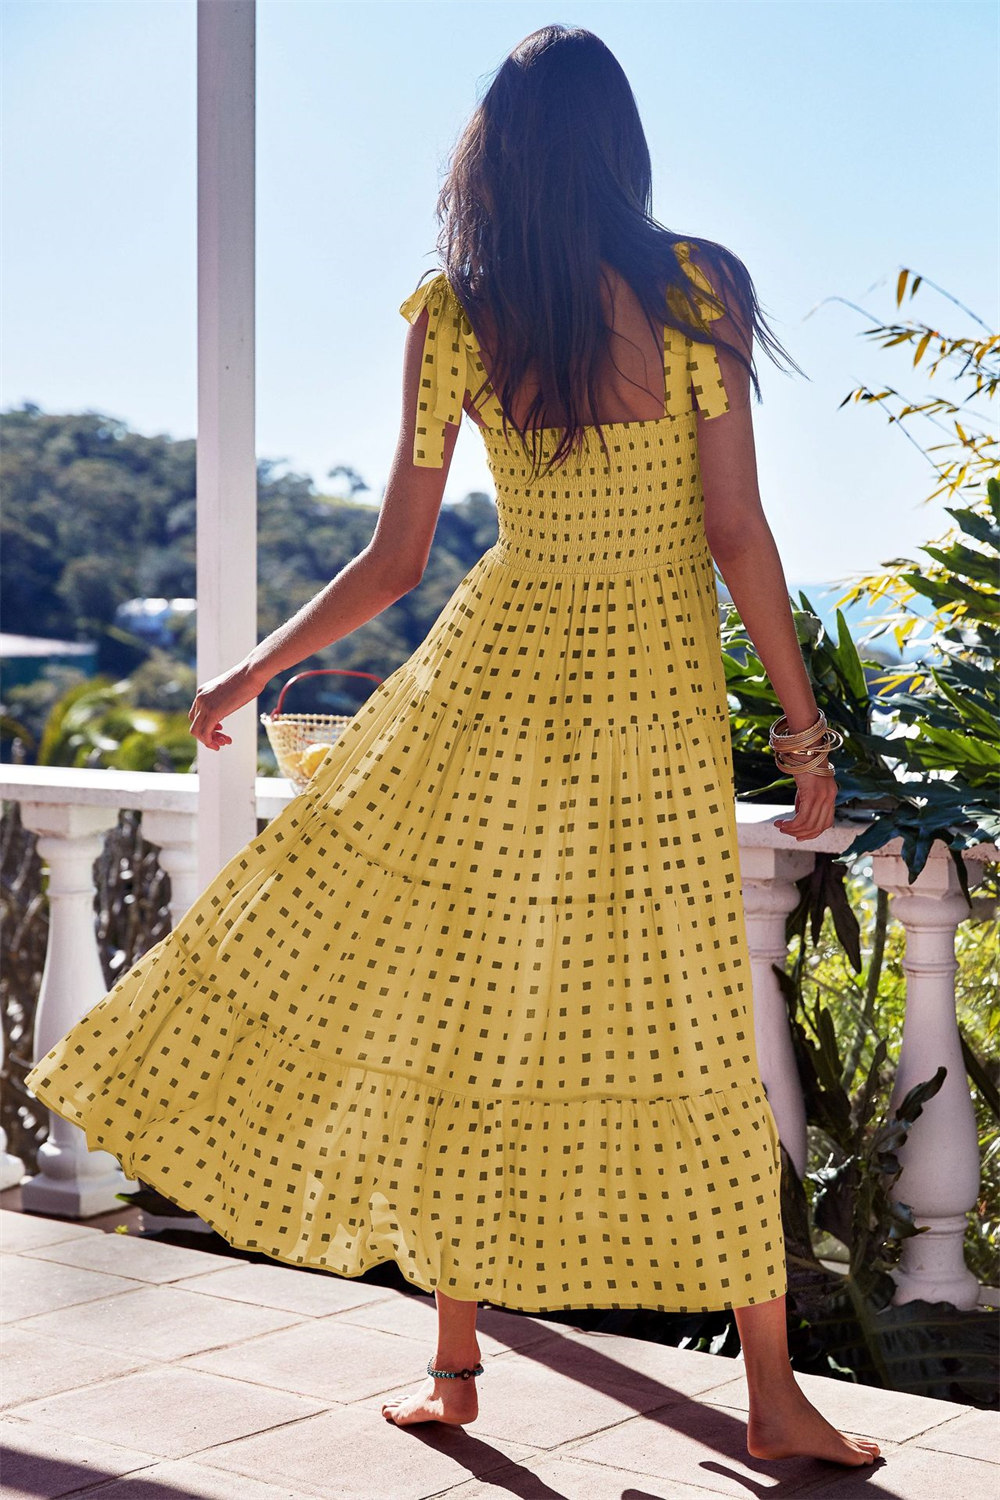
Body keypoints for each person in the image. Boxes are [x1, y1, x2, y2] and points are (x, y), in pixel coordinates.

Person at [25, 22, 880, 1472]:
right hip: (647, 708)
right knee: (692, 1031)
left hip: (497, 688)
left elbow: (396, 561)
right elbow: (737, 531)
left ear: (495, 157)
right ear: (619, 146)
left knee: (467, 1010)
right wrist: (803, 736)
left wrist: (249, 669)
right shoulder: (698, 291)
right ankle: (769, 1393)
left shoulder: (460, 314)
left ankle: (456, 1366)